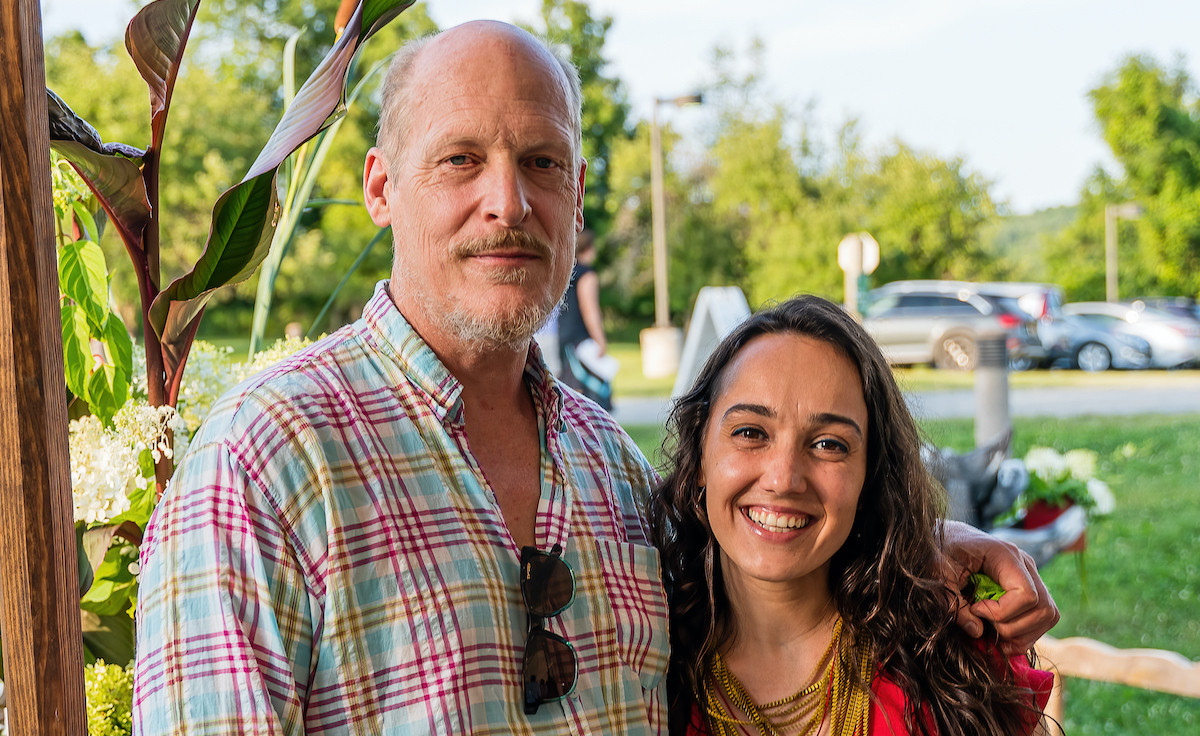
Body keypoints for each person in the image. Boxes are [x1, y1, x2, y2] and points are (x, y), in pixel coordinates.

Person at [133, 21, 1055, 736]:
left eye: (542, 163)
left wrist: (929, 537)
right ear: (380, 187)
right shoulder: (263, 465)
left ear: (575, 197)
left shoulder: (606, 463)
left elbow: (759, 539)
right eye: (462, 160)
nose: (508, 201)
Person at [649, 296, 1054, 736]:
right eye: (750, 432)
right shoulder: (641, 662)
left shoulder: (954, 661)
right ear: (701, 456)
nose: (784, 479)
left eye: (829, 444)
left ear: (870, 475)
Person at [557, 228, 614, 410]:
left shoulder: (566, 273)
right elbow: (590, 309)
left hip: (564, 337)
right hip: (581, 341)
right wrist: (600, 340)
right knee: (590, 396)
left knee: (569, 394)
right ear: (589, 248)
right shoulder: (587, 274)